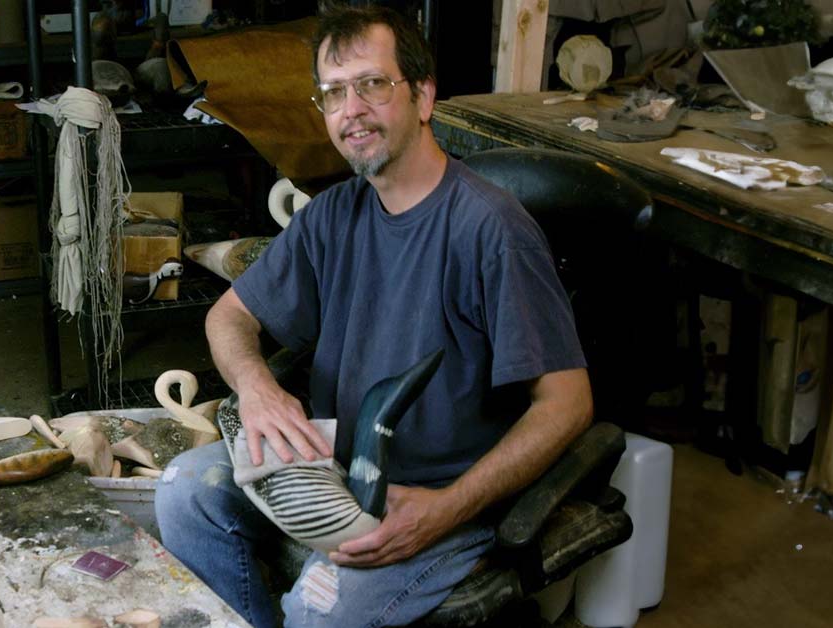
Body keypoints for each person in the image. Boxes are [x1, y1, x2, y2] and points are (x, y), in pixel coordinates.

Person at [155, 6, 593, 627]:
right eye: (334, 92)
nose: (351, 108)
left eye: (372, 84)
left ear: (423, 97)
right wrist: (258, 391)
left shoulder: (491, 230)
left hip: (435, 497)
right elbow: (227, 318)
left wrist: (447, 508)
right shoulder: (333, 215)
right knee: (183, 494)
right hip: (335, 473)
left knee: (318, 607)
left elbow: (569, 403)